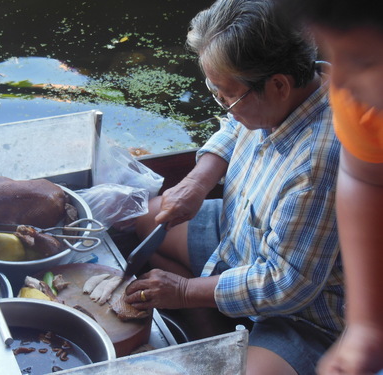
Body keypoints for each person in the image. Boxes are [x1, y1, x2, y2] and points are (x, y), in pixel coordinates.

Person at [123, 0, 344, 374]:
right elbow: (235, 124)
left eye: (227, 95)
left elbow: (285, 283)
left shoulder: (318, 164)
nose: (225, 106)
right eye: (215, 92)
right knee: (144, 219)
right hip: (241, 231)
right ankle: (210, 328)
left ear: (277, 85)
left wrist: (183, 292)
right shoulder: (278, 95)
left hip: (308, 312)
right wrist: (197, 182)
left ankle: (213, 326)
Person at [273, 1, 383, 374]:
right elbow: (364, 177)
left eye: (363, 61)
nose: (339, 82)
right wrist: (366, 325)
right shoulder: (362, 101)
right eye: (331, 54)